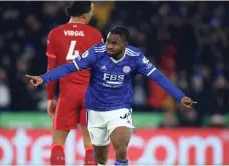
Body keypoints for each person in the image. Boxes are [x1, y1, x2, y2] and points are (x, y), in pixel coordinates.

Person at [26, 26, 196, 165]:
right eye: (108, 42)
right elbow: (68, 67)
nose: (109, 46)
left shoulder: (135, 57)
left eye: (114, 43)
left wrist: (180, 96)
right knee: (101, 158)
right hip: (95, 110)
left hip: (120, 108)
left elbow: (157, 76)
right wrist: (43, 78)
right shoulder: (96, 53)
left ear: (125, 44)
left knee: (120, 148)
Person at [44, 1, 103, 165]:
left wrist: (50, 97)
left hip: (67, 94)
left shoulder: (55, 34)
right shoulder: (95, 35)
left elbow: (51, 69)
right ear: (85, 14)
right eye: (91, 10)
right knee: (91, 146)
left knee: (57, 144)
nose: (92, 13)